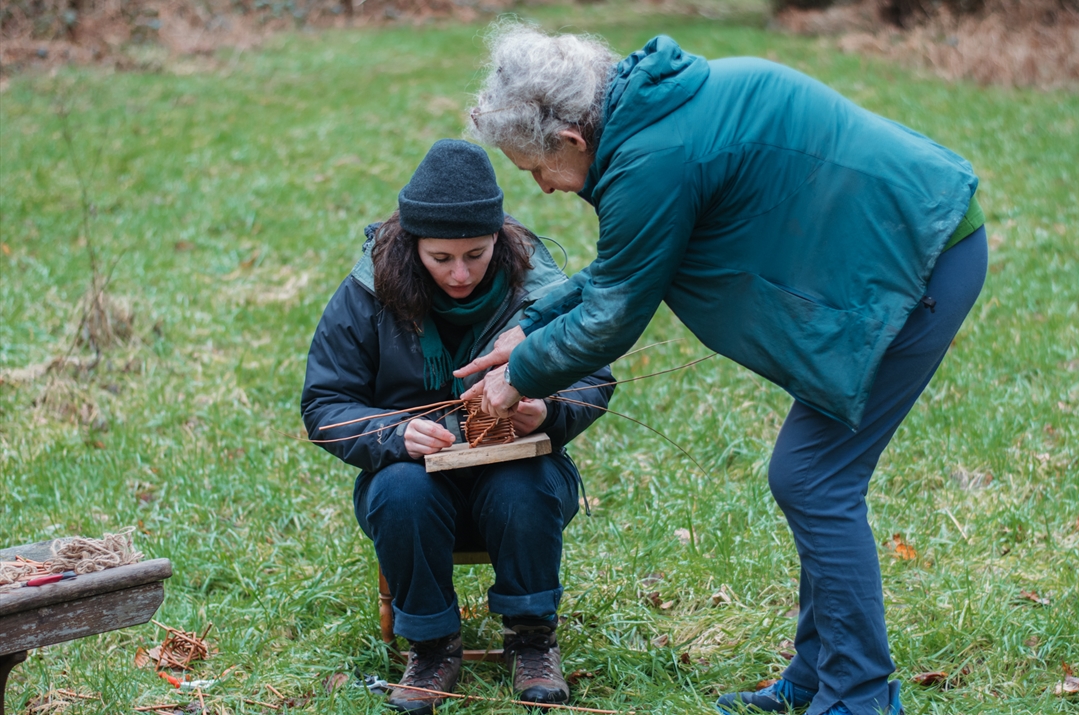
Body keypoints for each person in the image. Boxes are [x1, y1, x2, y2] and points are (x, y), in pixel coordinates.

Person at [458, 23, 988, 715]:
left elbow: (616, 313)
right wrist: (529, 327)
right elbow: (626, 267)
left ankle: (858, 694)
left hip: (917, 257)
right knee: (811, 476)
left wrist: (519, 376)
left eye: (535, 170)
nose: (544, 188)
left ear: (572, 140)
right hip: (902, 243)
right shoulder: (650, 115)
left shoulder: (653, 157)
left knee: (814, 479)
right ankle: (818, 673)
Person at [301, 139, 613, 713]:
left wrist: (546, 411)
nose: (461, 273)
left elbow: (594, 377)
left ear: (500, 237)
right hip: (412, 489)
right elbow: (325, 403)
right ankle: (432, 645)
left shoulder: (537, 286)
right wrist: (394, 437)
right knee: (401, 489)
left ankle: (532, 640)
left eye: (477, 253)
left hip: (521, 478)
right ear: (413, 244)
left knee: (524, 485)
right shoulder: (368, 292)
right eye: (441, 258)